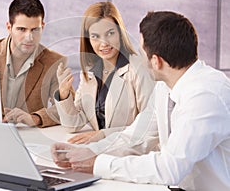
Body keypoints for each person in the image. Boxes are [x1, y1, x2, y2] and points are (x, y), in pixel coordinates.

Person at [52, 11, 230, 191]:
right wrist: (89, 152)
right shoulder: (165, 86)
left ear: (156, 61)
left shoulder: (206, 96)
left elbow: (169, 169)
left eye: (143, 50)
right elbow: (137, 136)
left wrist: (98, 163)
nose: (139, 56)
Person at [54, 2, 155, 144]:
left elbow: (150, 126)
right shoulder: (90, 71)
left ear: (120, 33)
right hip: (99, 150)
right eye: (95, 36)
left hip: (128, 153)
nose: (104, 43)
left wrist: (104, 135)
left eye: (110, 33)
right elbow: (73, 124)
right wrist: (64, 93)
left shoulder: (138, 69)